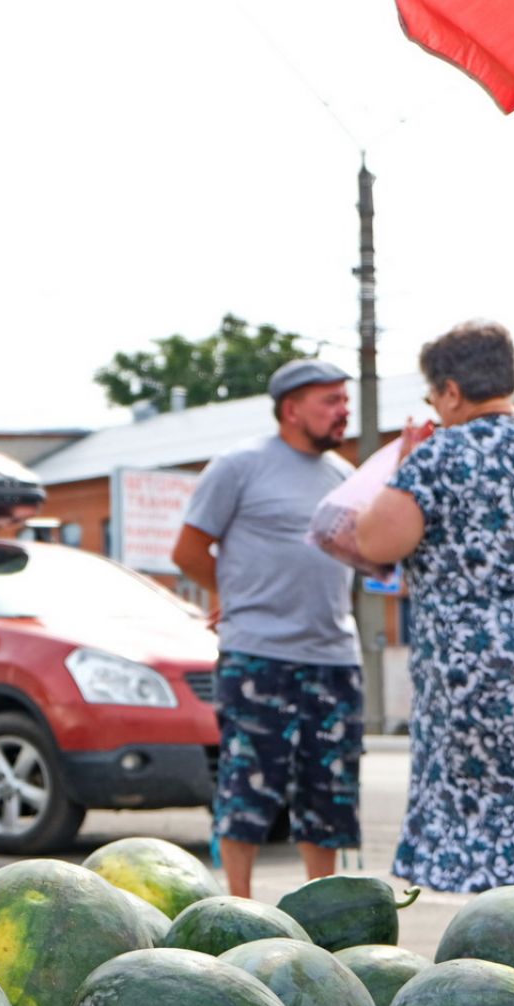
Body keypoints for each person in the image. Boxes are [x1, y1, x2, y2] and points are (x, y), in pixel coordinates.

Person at [356, 321, 514, 893]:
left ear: (450, 391)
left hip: (481, 680)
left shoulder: (442, 455)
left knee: (492, 830)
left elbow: (376, 542)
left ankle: (506, 951)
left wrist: (404, 466)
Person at [172, 359, 364, 899]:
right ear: (291, 409)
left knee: (329, 791)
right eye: (330, 400)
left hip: (335, 658)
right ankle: (238, 906)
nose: (342, 410)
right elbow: (188, 551)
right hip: (259, 655)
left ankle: (322, 910)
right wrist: (237, 596)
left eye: (344, 400)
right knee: (248, 784)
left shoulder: (345, 478)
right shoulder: (239, 466)